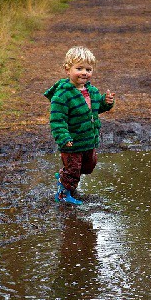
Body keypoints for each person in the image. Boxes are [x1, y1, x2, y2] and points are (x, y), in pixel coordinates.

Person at [44, 46, 115, 205]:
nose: (84, 72)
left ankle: (65, 175)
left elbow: (96, 108)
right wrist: (63, 137)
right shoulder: (62, 95)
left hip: (88, 140)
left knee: (89, 166)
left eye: (88, 69)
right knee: (74, 169)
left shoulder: (92, 91)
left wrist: (106, 102)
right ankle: (63, 193)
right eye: (79, 68)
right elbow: (57, 120)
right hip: (72, 142)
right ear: (67, 70)